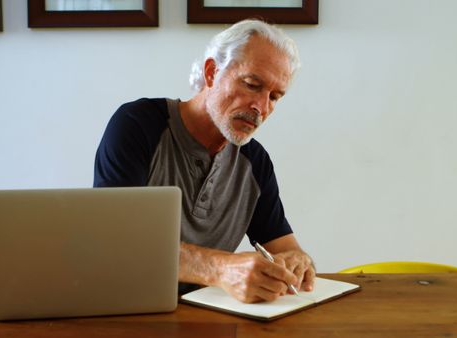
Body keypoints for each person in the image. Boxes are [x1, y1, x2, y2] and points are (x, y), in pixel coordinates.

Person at [93, 19, 315, 303]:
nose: (261, 107)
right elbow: (113, 241)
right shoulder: (138, 125)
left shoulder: (254, 161)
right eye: (251, 85)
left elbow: (286, 248)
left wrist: (298, 263)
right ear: (212, 72)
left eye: (274, 96)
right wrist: (220, 269)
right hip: (125, 310)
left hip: (210, 317)